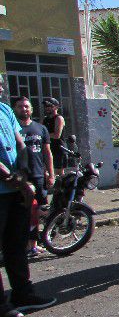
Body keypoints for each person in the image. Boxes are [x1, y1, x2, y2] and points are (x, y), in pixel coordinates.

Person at [0, 76, 56, 317]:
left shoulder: (3, 109)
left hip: (16, 189)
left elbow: (20, 144)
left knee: (16, 243)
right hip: (6, 189)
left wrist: (23, 175)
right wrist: (17, 180)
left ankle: (23, 294)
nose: (1, 87)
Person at [13, 97, 54, 257]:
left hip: (38, 175)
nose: (24, 109)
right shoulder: (12, 128)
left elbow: (47, 152)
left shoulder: (40, 128)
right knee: (21, 213)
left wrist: (51, 174)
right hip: (19, 178)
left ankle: (34, 244)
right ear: (15, 109)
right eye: (20, 106)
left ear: (31, 109)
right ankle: (20, 245)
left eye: (26, 106)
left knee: (36, 212)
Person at [42, 97, 65, 176]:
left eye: (50, 106)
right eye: (46, 106)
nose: (47, 108)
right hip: (48, 148)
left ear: (56, 107)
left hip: (58, 149)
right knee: (46, 172)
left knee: (59, 174)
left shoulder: (59, 118)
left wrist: (44, 135)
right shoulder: (45, 119)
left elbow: (57, 135)